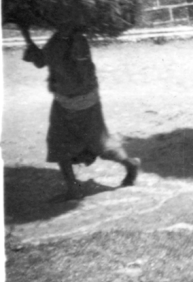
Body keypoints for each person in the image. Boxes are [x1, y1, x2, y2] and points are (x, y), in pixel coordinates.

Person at [22, 27, 140, 201]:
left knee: (96, 144)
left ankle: (130, 165)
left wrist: (59, 75)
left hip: (82, 103)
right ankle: (74, 188)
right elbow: (41, 62)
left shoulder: (77, 41)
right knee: (61, 142)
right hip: (66, 101)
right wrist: (27, 37)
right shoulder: (58, 38)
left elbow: (81, 76)